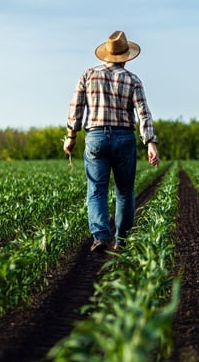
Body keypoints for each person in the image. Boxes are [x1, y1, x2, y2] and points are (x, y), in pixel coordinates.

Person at [64, 30, 160, 253]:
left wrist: (71, 137)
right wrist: (150, 142)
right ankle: (122, 240)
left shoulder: (88, 75)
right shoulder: (132, 79)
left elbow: (75, 108)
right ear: (126, 56)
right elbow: (143, 113)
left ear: (105, 54)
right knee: (124, 191)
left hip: (95, 137)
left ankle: (100, 237)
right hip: (124, 137)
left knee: (96, 189)